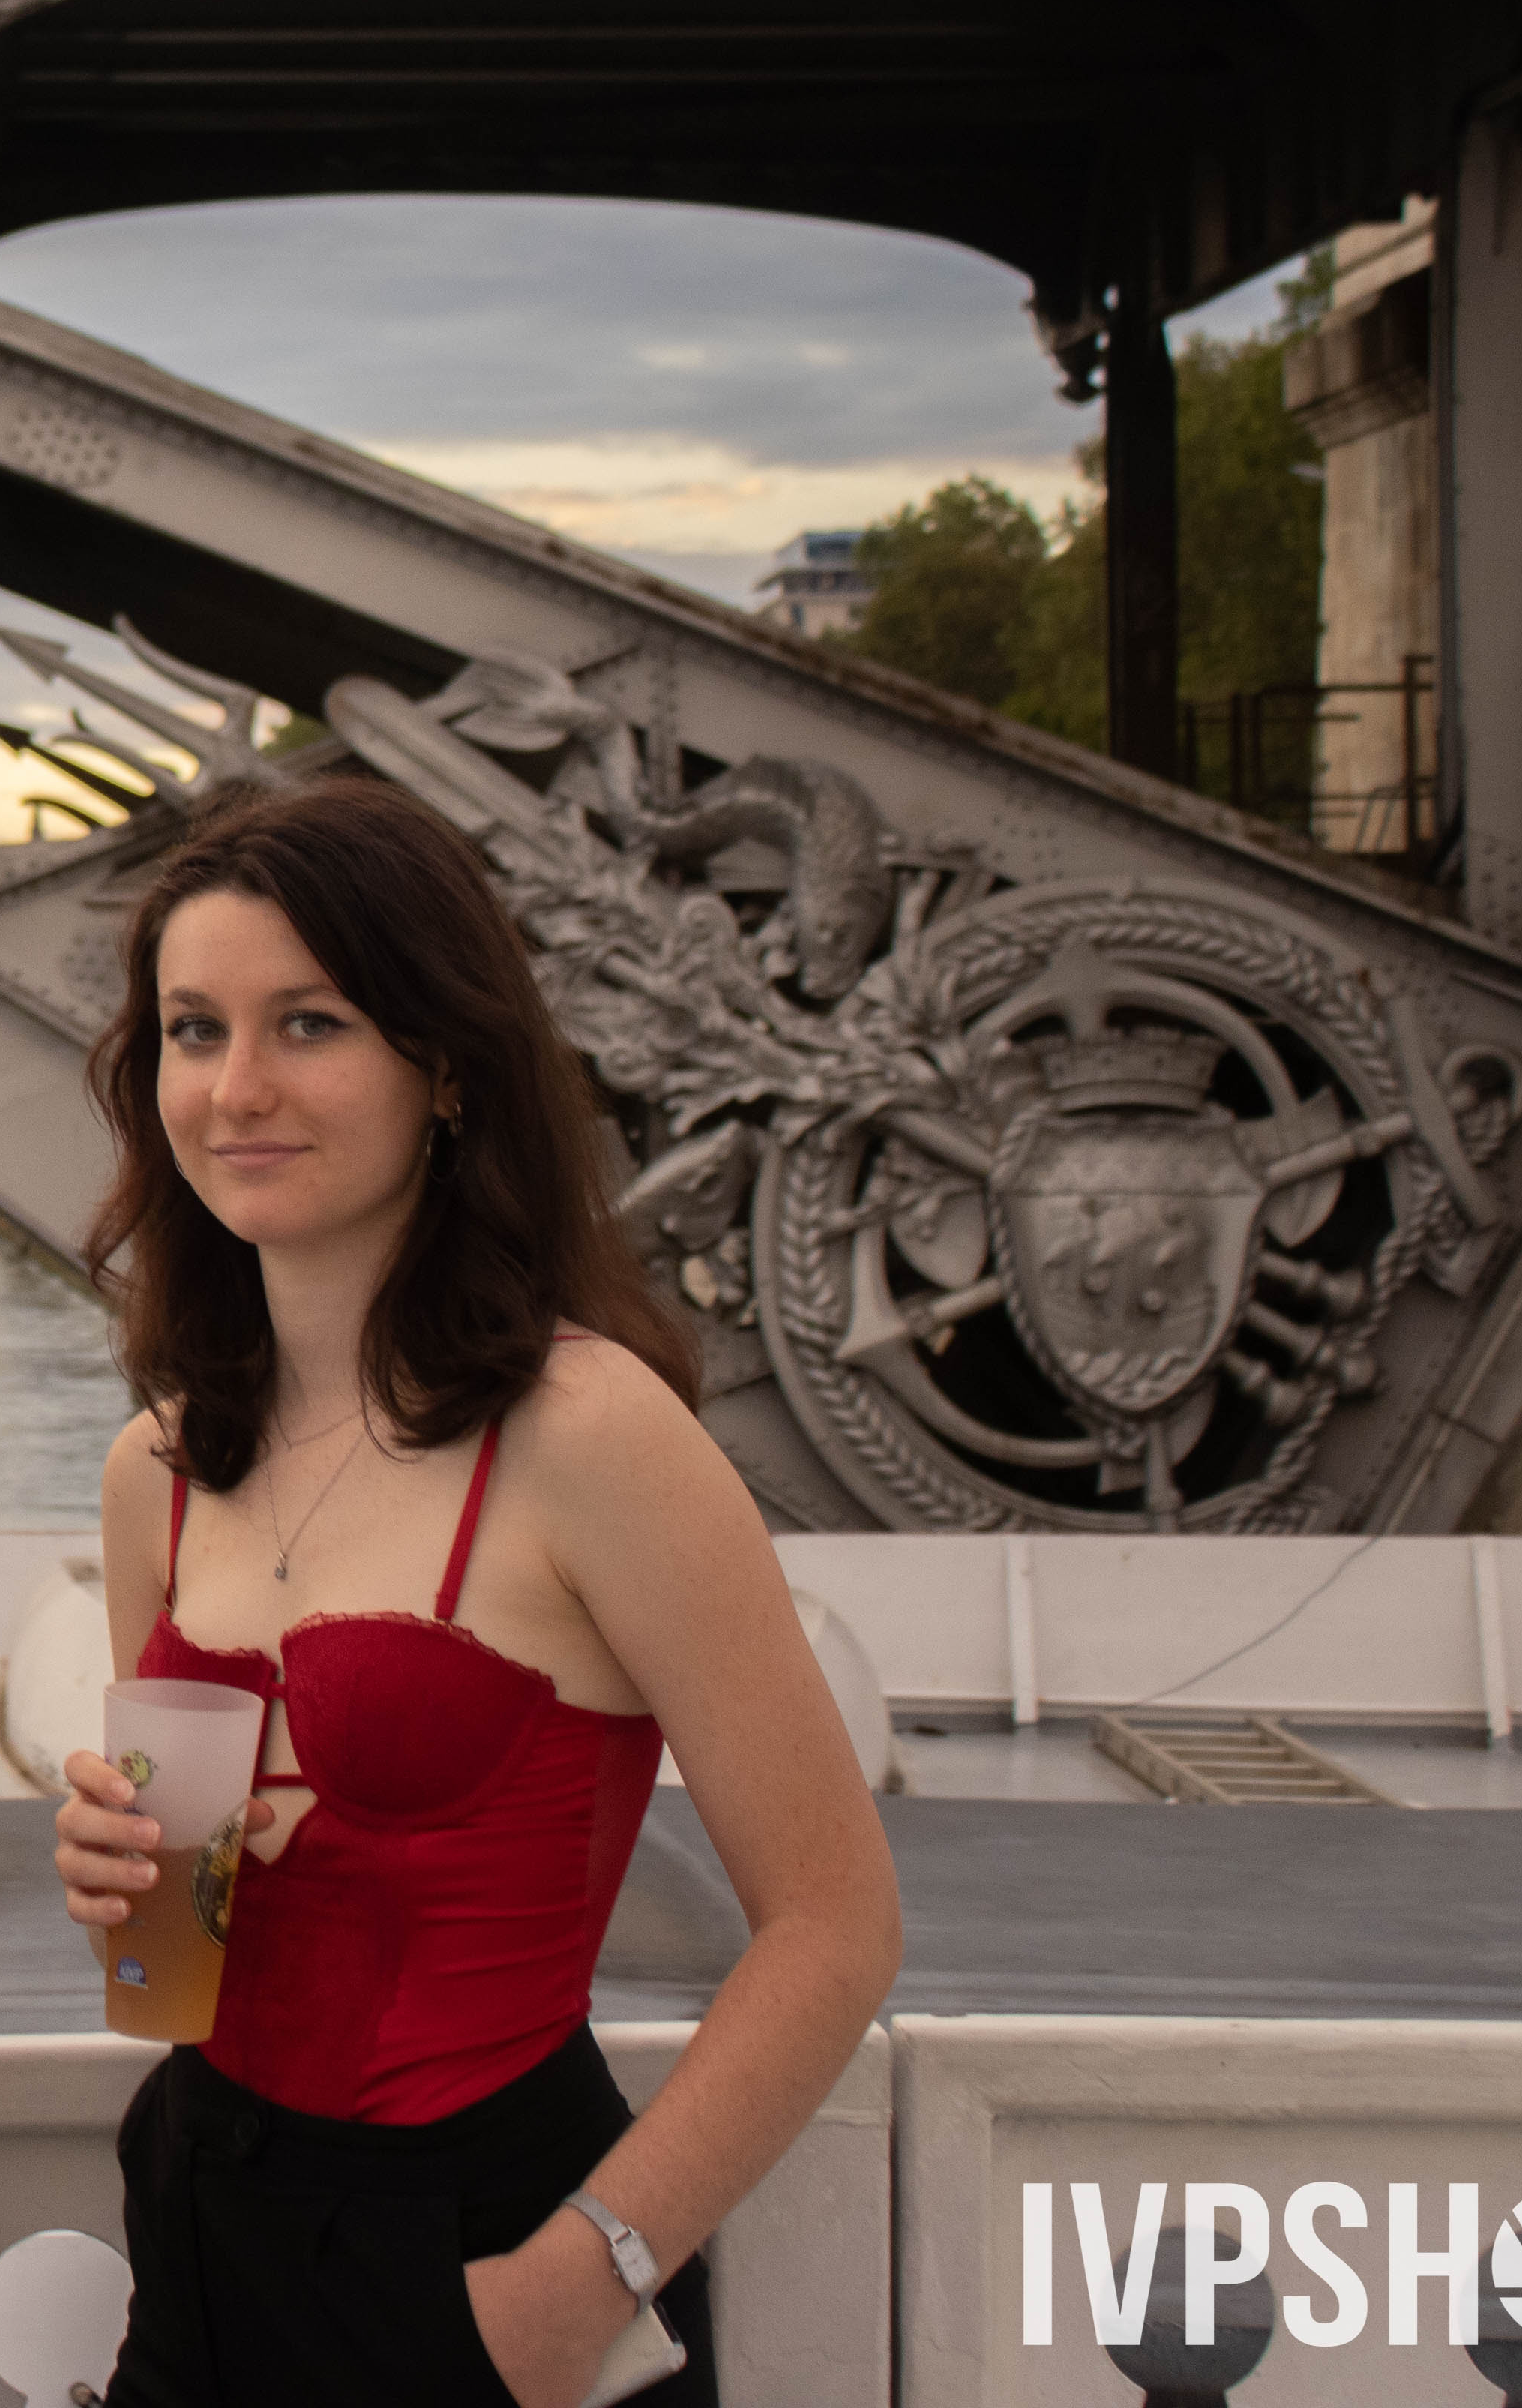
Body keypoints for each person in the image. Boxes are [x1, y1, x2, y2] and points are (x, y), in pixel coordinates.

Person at [51, 780, 903, 2408]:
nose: (236, 1087)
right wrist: (121, 1876)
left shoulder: (591, 1436)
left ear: (445, 1067)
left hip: (489, 2257)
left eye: (310, 1023)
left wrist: (582, 2281)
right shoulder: (156, 1467)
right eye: (193, 1028)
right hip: (201, 2224)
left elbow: (838, 1924)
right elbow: (182, 1947)